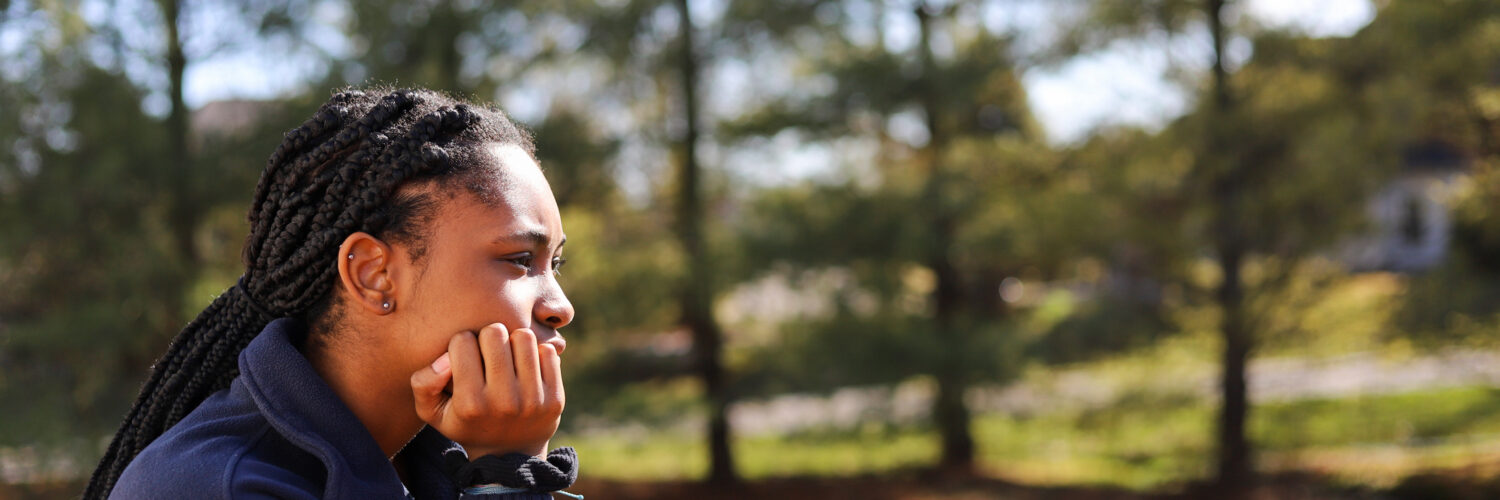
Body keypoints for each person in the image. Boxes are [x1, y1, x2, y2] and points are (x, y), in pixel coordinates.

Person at [84, 87, 582, 499]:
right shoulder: (215, 486)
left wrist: (505, 467)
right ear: (372, 274)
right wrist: (506, 478)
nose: (561, 306)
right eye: (520, 260)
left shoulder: (448, 459)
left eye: (554, 263)